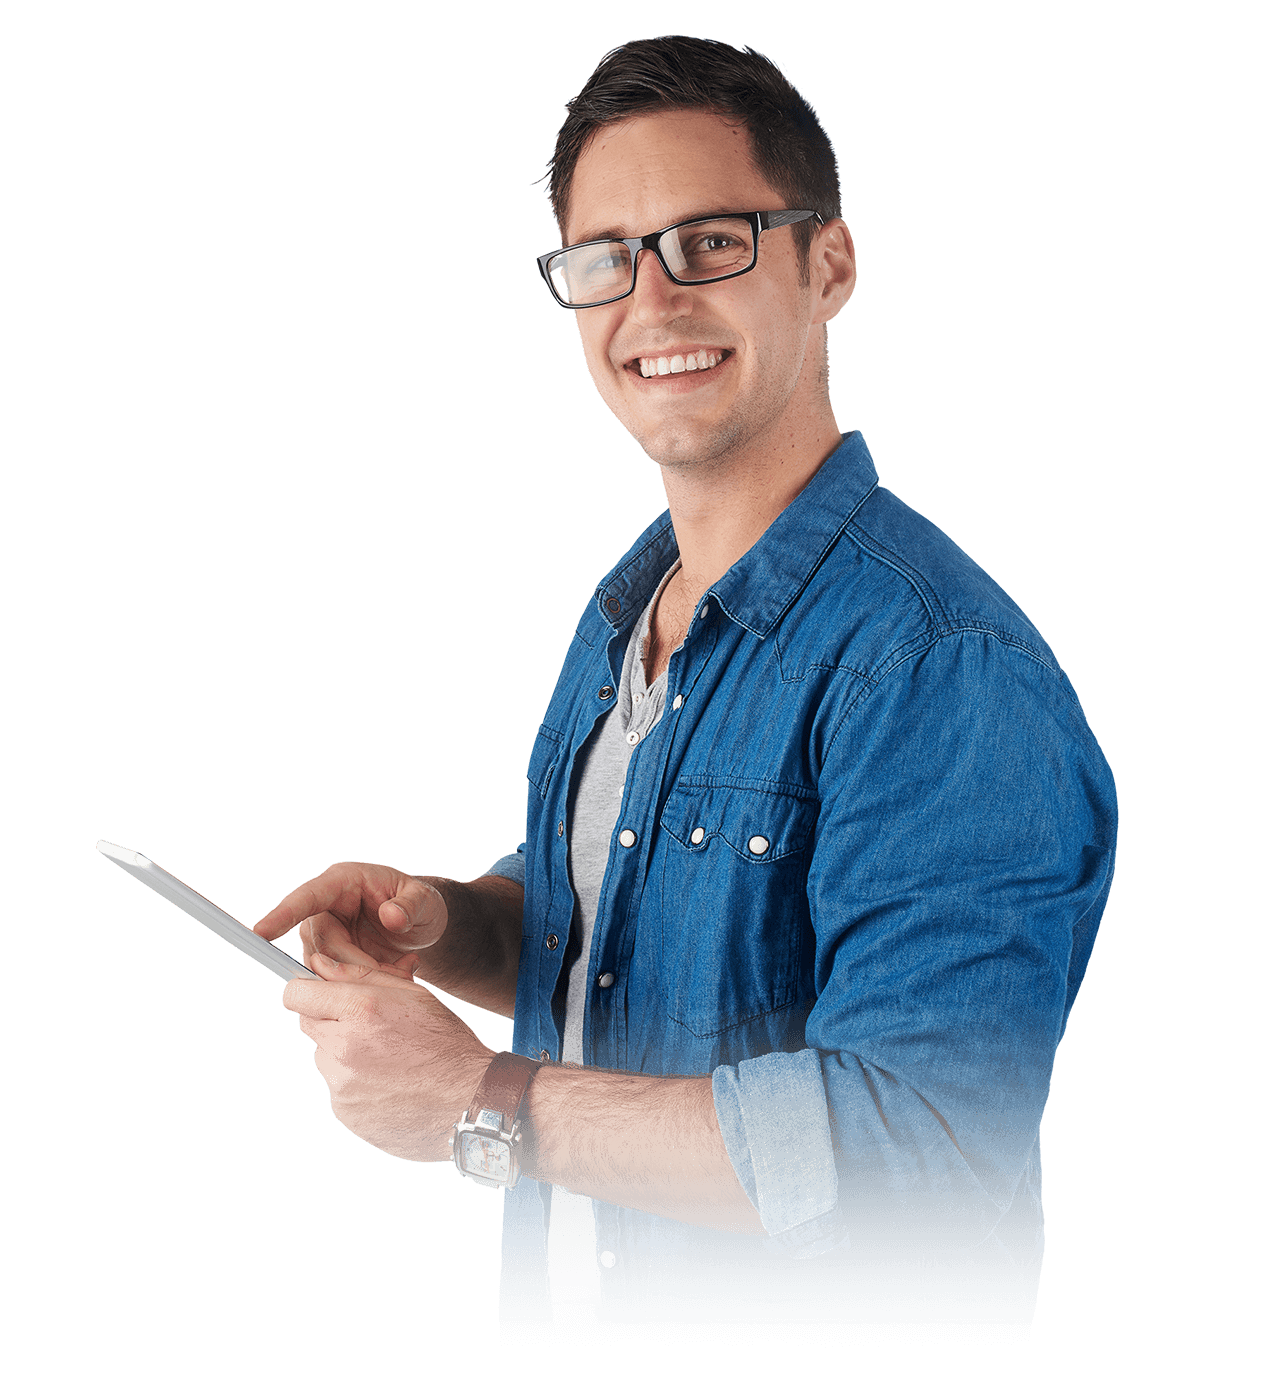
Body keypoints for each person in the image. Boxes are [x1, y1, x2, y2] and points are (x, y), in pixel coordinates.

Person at [252, 37, 1117, 1341]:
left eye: (709, 242)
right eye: (606, 258)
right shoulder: (624, 616)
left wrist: (480, 1103)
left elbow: (921, 1157)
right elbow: (659, 918)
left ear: (828, 266)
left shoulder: (936, 668)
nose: (649, 303)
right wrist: (447, 922)